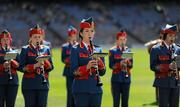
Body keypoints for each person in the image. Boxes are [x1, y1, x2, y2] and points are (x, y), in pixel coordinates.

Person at [70, 17, 106, 107]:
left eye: (92, 31)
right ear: (81, 33)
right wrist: (87, 67)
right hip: (81, 90)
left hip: (96, 90)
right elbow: (73, 72)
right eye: (86, 31)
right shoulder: (75, 49)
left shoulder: (98, 49)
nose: (90, 33)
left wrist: (100, 63)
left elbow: (102, 72)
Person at [19, 25, 54, 107]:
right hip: (29, 85)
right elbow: (21, 67)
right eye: (35, 37)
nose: (37, 39)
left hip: (43, 85)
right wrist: (35, 66)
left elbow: (51, 67)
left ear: (42, 37)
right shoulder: (25, 49)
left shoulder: (46, 49)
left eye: (39, 37)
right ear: (30, 38)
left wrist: (45, 63)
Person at [150, 24, 180, 107]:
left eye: (174, 36)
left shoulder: (178, 49)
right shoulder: (156, 49)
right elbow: (153, 66)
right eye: (170, 36)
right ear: (165, 36)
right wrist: (168, 67)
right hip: (163, 82)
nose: (172, 38)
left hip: (175, 82)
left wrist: (178, 65)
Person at [109, 30, 133, 107]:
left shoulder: (128, 50)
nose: (123, 41)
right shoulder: (112, 51)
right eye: (121, 39)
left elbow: (131, 65)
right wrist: (120, 64)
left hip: (126, 79)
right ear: (117, 40)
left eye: (124, 39)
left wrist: (128, 62)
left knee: (125, 102)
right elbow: (111, 65)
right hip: (116, 79)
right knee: (116, 102)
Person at [0, 30, 19, 107]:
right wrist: (3, 66)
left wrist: (12, 62)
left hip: (13, 82)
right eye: (3, 40)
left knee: (11, 104)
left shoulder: (14, 51)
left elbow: (20, 66)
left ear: (10, 40)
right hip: (0, 81)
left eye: (7, 39)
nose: (6, 41)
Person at [61, 25, 78, 107]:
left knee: (77, 92)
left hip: (77, 72)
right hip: (68, 71)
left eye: (74, 35)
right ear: (69, 36)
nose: (73, 37)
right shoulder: (65, 47)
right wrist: (70, 59)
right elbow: (63, 59)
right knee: (70, 92)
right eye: (71, 35)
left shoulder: (79, 45)